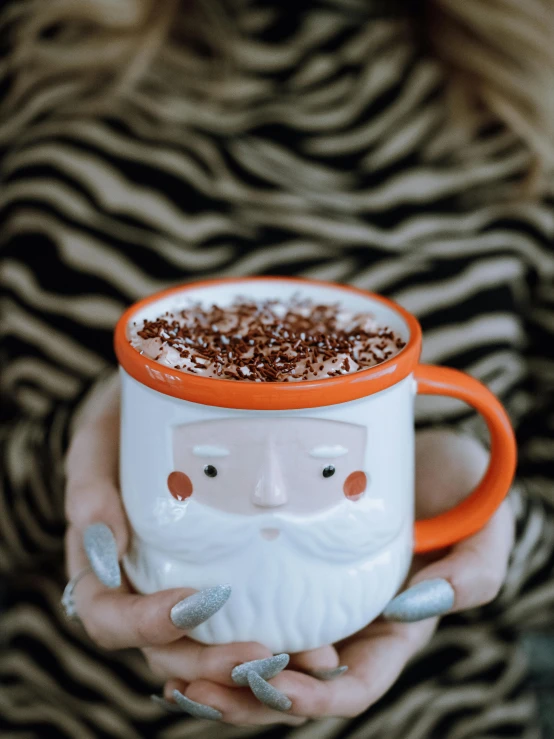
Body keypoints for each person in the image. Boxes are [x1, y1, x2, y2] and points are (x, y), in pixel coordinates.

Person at [1, 0, 554, 736]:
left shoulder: (535, 92)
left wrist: (489, 515)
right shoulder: (32, 57)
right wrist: (80, 453)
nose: (266, 495)